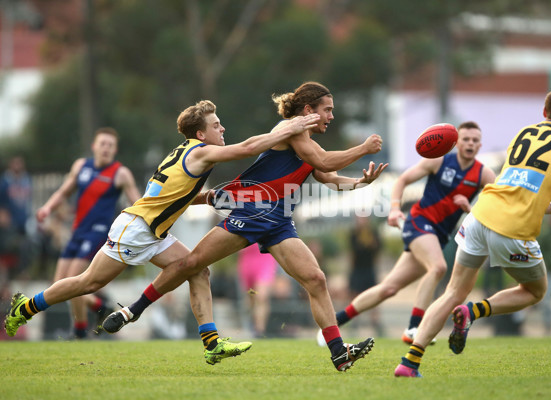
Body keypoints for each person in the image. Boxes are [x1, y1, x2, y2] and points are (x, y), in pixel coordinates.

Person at [5, 100, 319, 365]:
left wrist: (206, 197)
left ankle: (212, 345)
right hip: (137, 229)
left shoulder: (188, 150)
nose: (222, 129)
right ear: (201, 133)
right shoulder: (200, 151)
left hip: (152, 230)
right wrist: (288, 128)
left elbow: (172, 195)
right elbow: (249, 148)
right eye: (216, 125)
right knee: (90, 282)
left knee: (197, 270)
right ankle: (28, 306)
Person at [102, 81, 388, 372]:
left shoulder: (308, 144)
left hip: (279, 221)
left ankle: (339, 351)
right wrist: (364, 148)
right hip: (252, 212)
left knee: (316, 279)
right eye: (327, 110)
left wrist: (359, 182)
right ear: (307, 110)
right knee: (192, 264)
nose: (331, 116)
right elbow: (324, 161)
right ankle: (132, 310)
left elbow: (328, 176)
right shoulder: (289, 129)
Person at [395, 85, 551, 378]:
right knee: (535, 291)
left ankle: (409, 363)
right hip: (512, 229)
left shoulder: (523, 134)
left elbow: (515, 191)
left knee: (452, 292)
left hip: (479, 215)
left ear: (544, 113)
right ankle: (473, 312)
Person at [328, 122, 495, 345]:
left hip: (437, 236)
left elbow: (499, 204)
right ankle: (414, 328)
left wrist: (470, 209)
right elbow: (403, 180)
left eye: (475, 140)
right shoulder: (439, 160)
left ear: (480, 145)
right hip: (419, 222)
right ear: (456, 143)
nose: (470, 144)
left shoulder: (484, 173)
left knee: (389, 288)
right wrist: (395, 208)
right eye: (466, 139)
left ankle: (333, 323)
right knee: (438, 267)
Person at [34, 127, 141, 339]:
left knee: (73, 279)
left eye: (110, 145)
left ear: (115, 149)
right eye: (102, 144)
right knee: (59, 286)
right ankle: (100, 306)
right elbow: (63, 192)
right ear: (94, 146)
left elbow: (138, 203)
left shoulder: (120, 173)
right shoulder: (81, 167)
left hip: (98, 233)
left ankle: (80, 331)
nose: (106, 149)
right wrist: (47, 208)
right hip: (77, 232)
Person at [237, 243, 277, 337]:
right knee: (250, 298)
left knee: (261, 296)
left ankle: (259, 330)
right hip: (247, 261)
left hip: (265, 259)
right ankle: (252, 323)